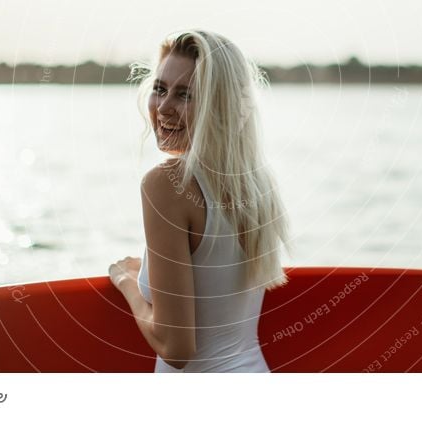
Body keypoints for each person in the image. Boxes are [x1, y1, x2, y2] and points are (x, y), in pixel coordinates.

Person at [108, 30, 292, 372]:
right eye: (160, 89)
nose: (163, 107)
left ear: (217, 106)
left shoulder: (167, 184)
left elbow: (176, 348)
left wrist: (127, 283)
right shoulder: (257, 183)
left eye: (185, 95)